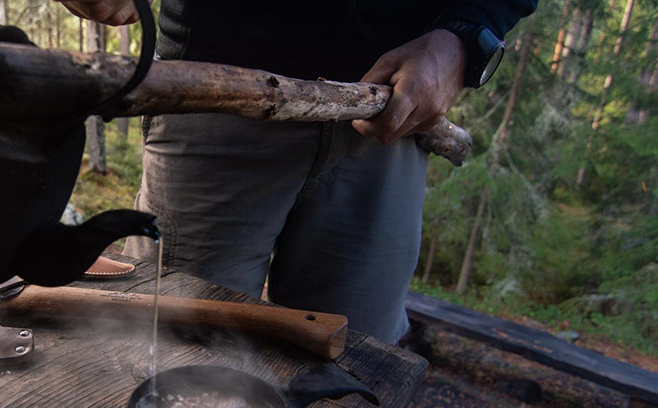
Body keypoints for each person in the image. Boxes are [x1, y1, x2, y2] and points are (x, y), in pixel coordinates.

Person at [59, 0, 537, 344]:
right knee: (165, 347)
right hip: (213, 97)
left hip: (389, 116)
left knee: (351, 361)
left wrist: (464, 35)